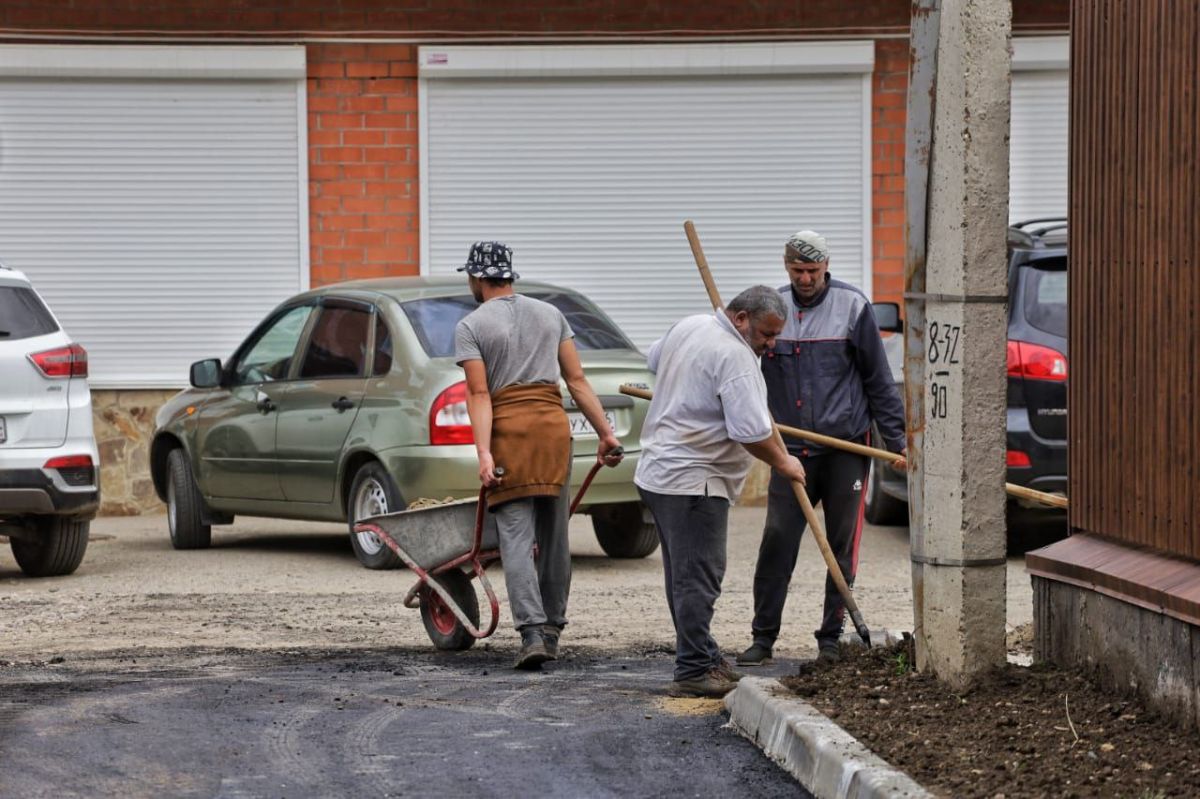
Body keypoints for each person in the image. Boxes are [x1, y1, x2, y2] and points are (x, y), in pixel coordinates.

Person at [737, 230, 907, 668]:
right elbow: (738, 368)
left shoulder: (853, 307)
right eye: (798, 270)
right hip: (788, 450)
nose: (806, 278)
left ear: (826, 266)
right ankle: (762, 637)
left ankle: (830, 637)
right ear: (786, 266)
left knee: (841, 542)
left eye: (813, 270)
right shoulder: (770, 309)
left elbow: (878, 382)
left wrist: (899, 442)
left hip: (845, 446)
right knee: (777, 539)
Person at [454, 241, 623, 670]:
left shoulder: (471, 326)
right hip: (553, 432)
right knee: (555, 535)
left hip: (511, 435)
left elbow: (478, 393)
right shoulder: (552, 315)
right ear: (509, 275)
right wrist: (606, 434)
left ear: (476, 278)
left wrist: (484, 455)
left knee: (515, 536)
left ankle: (531, 632)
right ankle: (553, 630)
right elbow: (578, 380)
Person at [635, 286, 807, 698]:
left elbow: (653, 359)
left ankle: (704, 655)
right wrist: (784, 463)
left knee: (684, 574)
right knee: (699, 577)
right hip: (695, 479)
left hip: (662, 472)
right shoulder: (735, 358)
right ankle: (693, 668)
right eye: (767, 334)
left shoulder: (691, 326)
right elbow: (750, 432)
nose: (772, 344)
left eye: (776, 335)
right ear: (741, 318)